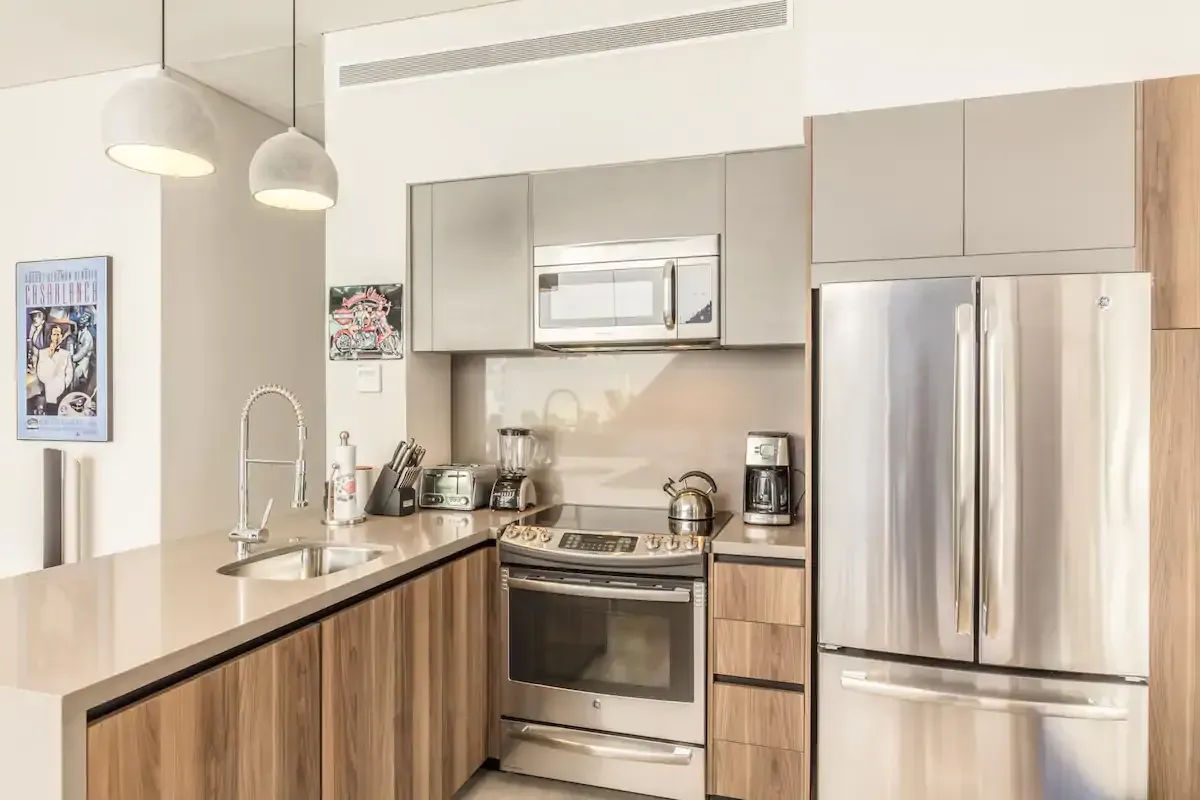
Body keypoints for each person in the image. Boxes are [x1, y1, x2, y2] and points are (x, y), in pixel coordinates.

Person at [35, 324, 72, 411]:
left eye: (58, 334)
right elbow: (40, 372)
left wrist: (63, 384)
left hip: (61, 389)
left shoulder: (66, 354)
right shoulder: (42, 353)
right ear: (50, 336)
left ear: (62, 336)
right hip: (47, 387)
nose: (56, 337)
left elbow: (69, 373)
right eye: (54, 334)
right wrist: (50, 355)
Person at [71, 308, 95, 391]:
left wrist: (71, 358)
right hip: (77, 358)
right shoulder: (80, 332)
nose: (81, 321)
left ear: (87, 323)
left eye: (84, 320)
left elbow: (82, 353)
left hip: (83, 361)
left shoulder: (88, 337)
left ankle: (74, 391)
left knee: (75, 373)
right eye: (81, 319)